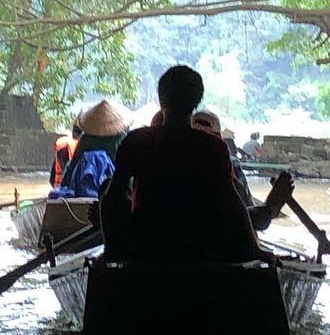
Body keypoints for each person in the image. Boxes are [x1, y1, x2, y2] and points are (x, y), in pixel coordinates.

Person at [101, 65, 292, 262]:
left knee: (109, 188)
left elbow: (112, 198)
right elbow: (232, 204)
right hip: (201, 247)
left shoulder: (136, 141)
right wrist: (254, 250)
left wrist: (110, 251)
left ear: (161, 99)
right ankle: (269, 211)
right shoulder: (212, 147)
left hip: (147, 245)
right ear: (196, 102)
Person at [192, 109, 287, 232]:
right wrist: (269, 208)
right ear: (219, 138)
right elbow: (243, 217)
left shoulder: (174, 164)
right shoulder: (228, 166)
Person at [52, 100, 129, 199]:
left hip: (83, 191)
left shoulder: (86, 140)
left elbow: (71, 167)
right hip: (113, 191)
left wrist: (63, 189)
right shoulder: (122, 138)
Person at [49, 118, 82, 188]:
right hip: (67, 189)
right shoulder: (80, 146)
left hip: (58, 188)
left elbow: (52, 178)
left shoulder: (62, 144)